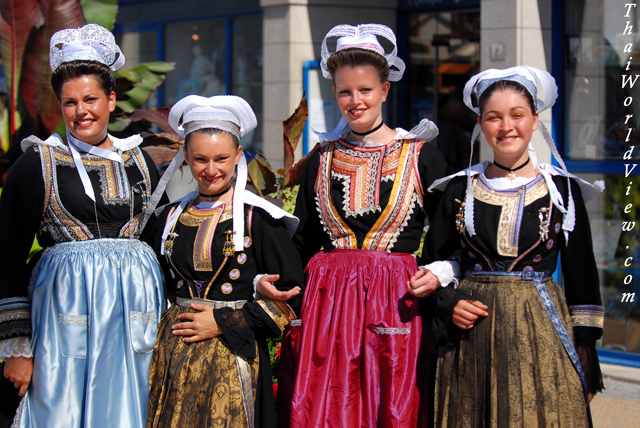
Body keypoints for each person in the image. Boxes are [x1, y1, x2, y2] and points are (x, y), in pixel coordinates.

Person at [279, 23, 449, 428]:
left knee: (392, 405)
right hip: (328, 306)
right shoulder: (321, 158)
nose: (355, 101)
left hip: (395, 302)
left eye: (365, 90)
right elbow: (301, 240)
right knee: (327, 406)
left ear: (385, 90)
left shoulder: (421, 155)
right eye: (344, 91)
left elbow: (447, 239)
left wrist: (440, 276)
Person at [0, 24, 166, 427]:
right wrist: (17, 347)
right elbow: (5, 254)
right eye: (70, 102)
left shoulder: (139, 160)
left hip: (135, 321)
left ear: (111, 99)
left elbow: (158, 239)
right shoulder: (36, 163)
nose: (81, 112)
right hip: (64, 323)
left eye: (91, 99)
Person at [427, 66, 605, 427]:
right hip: (472, 337)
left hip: (541, 334)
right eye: (494, 117)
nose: (506, 126)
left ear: (535, 119)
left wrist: (586, 353)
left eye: (517, 115)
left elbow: (582, 276)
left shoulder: (562, 191)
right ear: (481, 123)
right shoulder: (460, 190)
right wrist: (451, 304)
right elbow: (435, 263)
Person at [143, 95, 304, 428]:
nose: (211, 169)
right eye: (200, 159)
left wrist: (223, 322)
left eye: (221, 158)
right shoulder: (168, 217)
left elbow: (292, 298)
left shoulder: (259, 219)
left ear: (238, 157)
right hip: (172, 356)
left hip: (235, 357)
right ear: (185, 157)